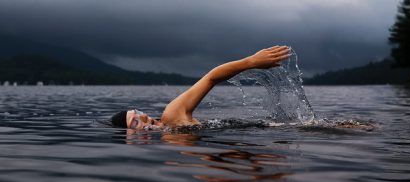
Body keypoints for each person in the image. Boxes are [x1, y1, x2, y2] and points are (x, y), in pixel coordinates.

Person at [111, 46, 291, 129]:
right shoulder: (169, 137)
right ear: (130, 138)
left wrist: (251, 62)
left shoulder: (171, 116)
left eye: (137, 112)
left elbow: (211, 78)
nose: (142, 116)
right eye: (134, 122)